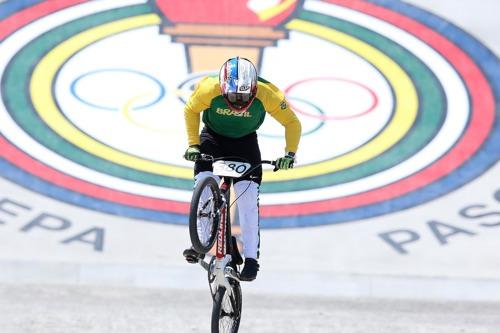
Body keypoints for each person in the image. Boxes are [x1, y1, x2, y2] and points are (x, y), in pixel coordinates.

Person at [182, 56, 301, 281]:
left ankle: (251, 259)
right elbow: (191, 110)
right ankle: (201, 239)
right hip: (213, 138)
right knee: (205, 183)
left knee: (248, 202)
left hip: (245, 143)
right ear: (223, 88)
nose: (238, 102)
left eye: (245, 96)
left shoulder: (268, 94)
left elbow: (292, 122)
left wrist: (289, 155)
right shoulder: (209, 88)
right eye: (234, 95)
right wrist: (193, 145)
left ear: (255, 89)